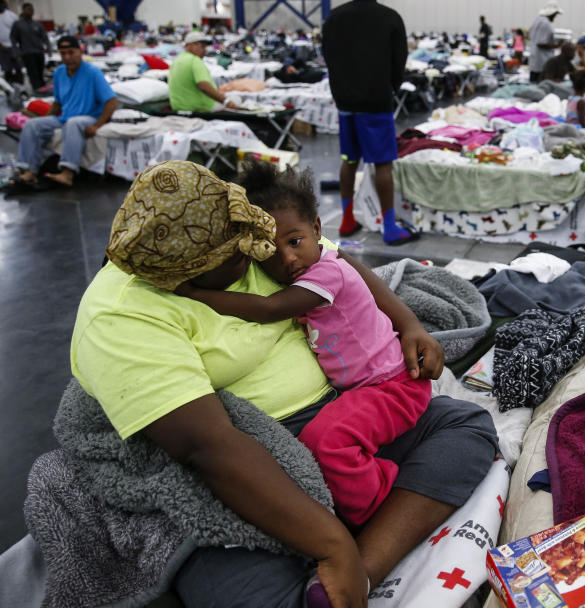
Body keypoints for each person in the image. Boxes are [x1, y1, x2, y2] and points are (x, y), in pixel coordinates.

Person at [71, 159, 498, 607]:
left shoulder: (256, 231)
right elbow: (207, 448)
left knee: (466, 428)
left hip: (345, 407)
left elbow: (341, 263)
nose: (257, 251)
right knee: (245, 589)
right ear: (186, 276)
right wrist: (330, 544)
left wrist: (409, 324)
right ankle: (340, 550)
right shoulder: (118, 316)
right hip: (252, 457)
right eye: (238, 253)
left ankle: (361, 570)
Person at [174, 161, 433, 529]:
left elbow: (269, 309)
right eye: (269, 251)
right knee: (323, 439)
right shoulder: (308, 269)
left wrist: (194, 293)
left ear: (316, 229)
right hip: (367, 388)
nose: (287, 259)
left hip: (392, 385)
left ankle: (375, 504)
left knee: (326, 441)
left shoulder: (325, 273)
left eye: (294, 242)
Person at [322, 0, 416, 246]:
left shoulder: (333, 18)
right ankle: (389, 227)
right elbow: (399, 63)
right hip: (376, 104)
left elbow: (327, 58)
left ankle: (347, 218)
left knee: (349, 160)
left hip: (345, 104)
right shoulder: (390, 18)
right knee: (382, 164)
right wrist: (390, 88)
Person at [8, 35, 117, 190]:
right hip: (66, 117)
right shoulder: (59, 73)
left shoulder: (92, 72)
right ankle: (29, 171)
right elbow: (58, 103)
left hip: (89, 117)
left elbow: (111, 101)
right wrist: (45, 122)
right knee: (32, 125)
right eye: (63, 53)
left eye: (71, 52)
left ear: (80, 52)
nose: (67, 57)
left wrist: (98, 125)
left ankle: (68, 172)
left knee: (73, 124)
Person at [168, 30, 238, 111]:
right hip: (201, 107)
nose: (205, 50)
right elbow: (203, 85)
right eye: (202, 46)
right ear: (192, 45)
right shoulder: (194, 61)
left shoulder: (177, 61)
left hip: (179, 107)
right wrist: (226, 101)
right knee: (236, 98)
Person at [11, 3, 50, 91]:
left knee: (40, 73)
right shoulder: (18, 25)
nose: (31, 12)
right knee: (33, 73)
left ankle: (43, 89)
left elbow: (44, 37)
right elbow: (13, 38)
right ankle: (37, 90)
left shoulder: (37, 24)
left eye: (32, 10)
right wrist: (16, 52)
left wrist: (49, 48)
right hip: (27, 53)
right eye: (29, 9)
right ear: (24, 10)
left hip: (39, 52)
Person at [528, 0, 563, 83]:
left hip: (535, 61)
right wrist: (557, 45)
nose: (555, 17)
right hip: (542, 62)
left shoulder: (537, 20)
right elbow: (540, 43)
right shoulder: (546, 23)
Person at [0, 0, 21, 82]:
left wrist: (16, 47)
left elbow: (19, 31)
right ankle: (11, 89)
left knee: (18, 69)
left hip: (14, 47)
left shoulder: (11, 15)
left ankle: (21, 89)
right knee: (7, 70)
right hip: (2, 49)